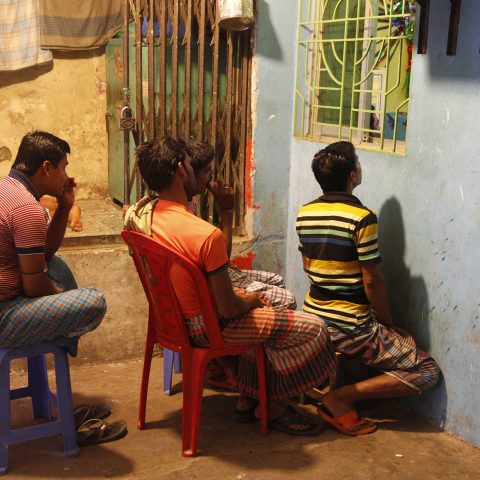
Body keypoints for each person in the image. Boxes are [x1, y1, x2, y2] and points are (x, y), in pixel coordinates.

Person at [125, 136, 338, 435]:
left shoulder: (141, 215)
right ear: (180, 170)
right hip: (209, 327)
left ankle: (248, 395)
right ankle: (272, 403)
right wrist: (252, 299)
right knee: (315, 329)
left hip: (172, 321)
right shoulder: (204, 235)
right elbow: (229, 307)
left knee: (272, 298)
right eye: (189, 162)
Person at [296, 141, 439, 436]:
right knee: (427, 371)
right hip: (350, 326)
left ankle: (345, 389)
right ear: (351, 175)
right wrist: (386, 321)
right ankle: (340, 398)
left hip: (312, 315)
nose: (360, 167)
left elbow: (307, 265)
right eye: (358, 163)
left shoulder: (305, 212)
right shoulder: (362, 218)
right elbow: (372, 280)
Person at [185, 139, 297, 390]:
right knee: (284, 299)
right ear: (186, 173)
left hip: (199, 291)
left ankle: (233, 368)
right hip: (207, 307)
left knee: (276, 280)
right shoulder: (185, 215)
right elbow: (221, 258)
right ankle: (251, 381)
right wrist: (226, 211)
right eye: (206, 172)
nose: (211, 177)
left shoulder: (176, 208)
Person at [0, 131, 106, 354]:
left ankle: (65, 340)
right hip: (4, 313)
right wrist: (61, 297)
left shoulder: (7, 187)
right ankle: (64, 339)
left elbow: (45, 254)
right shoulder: (27, 208)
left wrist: (65, 206)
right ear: (47, 168)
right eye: (63, 168)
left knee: (56, 265)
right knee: (94, 301)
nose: (66, 176)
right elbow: (33, 285)